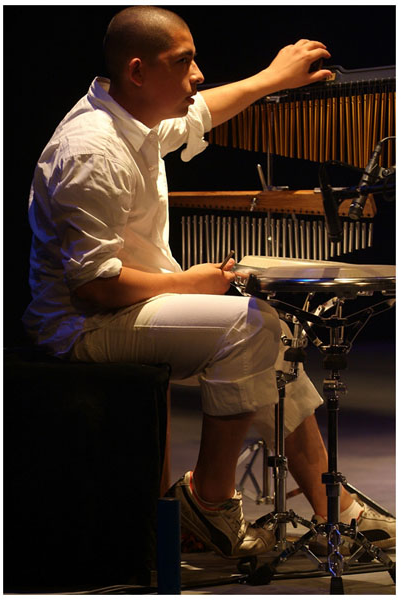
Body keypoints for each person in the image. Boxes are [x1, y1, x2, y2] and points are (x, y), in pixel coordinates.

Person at [23, 6, 395, 559]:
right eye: (184, 61)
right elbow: (92, 286)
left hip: (119, 307)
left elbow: (200, 112)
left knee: (272, 333)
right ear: (138, 71)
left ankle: (332, 508)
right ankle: (208, 504)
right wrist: (188, 284)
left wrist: (272, 78)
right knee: (250, 327)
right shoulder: (92, 150)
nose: (198, 75)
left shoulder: (134, 119)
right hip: (83, 326)